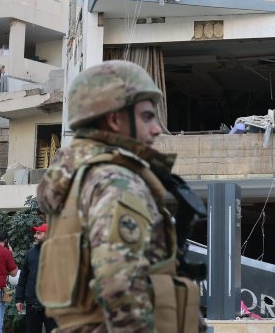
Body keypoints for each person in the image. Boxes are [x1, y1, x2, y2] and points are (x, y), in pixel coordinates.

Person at [36, 61, 202, 333]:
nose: (157, 129)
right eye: (147, 117)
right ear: (114, 120)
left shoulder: (81, 178)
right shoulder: (115, 181)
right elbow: (119, 283)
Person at [15, 224, 56, 333]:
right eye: (35, 233)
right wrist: (19, 299)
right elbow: (23, 278)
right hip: (33, 305)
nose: (35, 235)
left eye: (39, 233)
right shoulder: (30, 253)